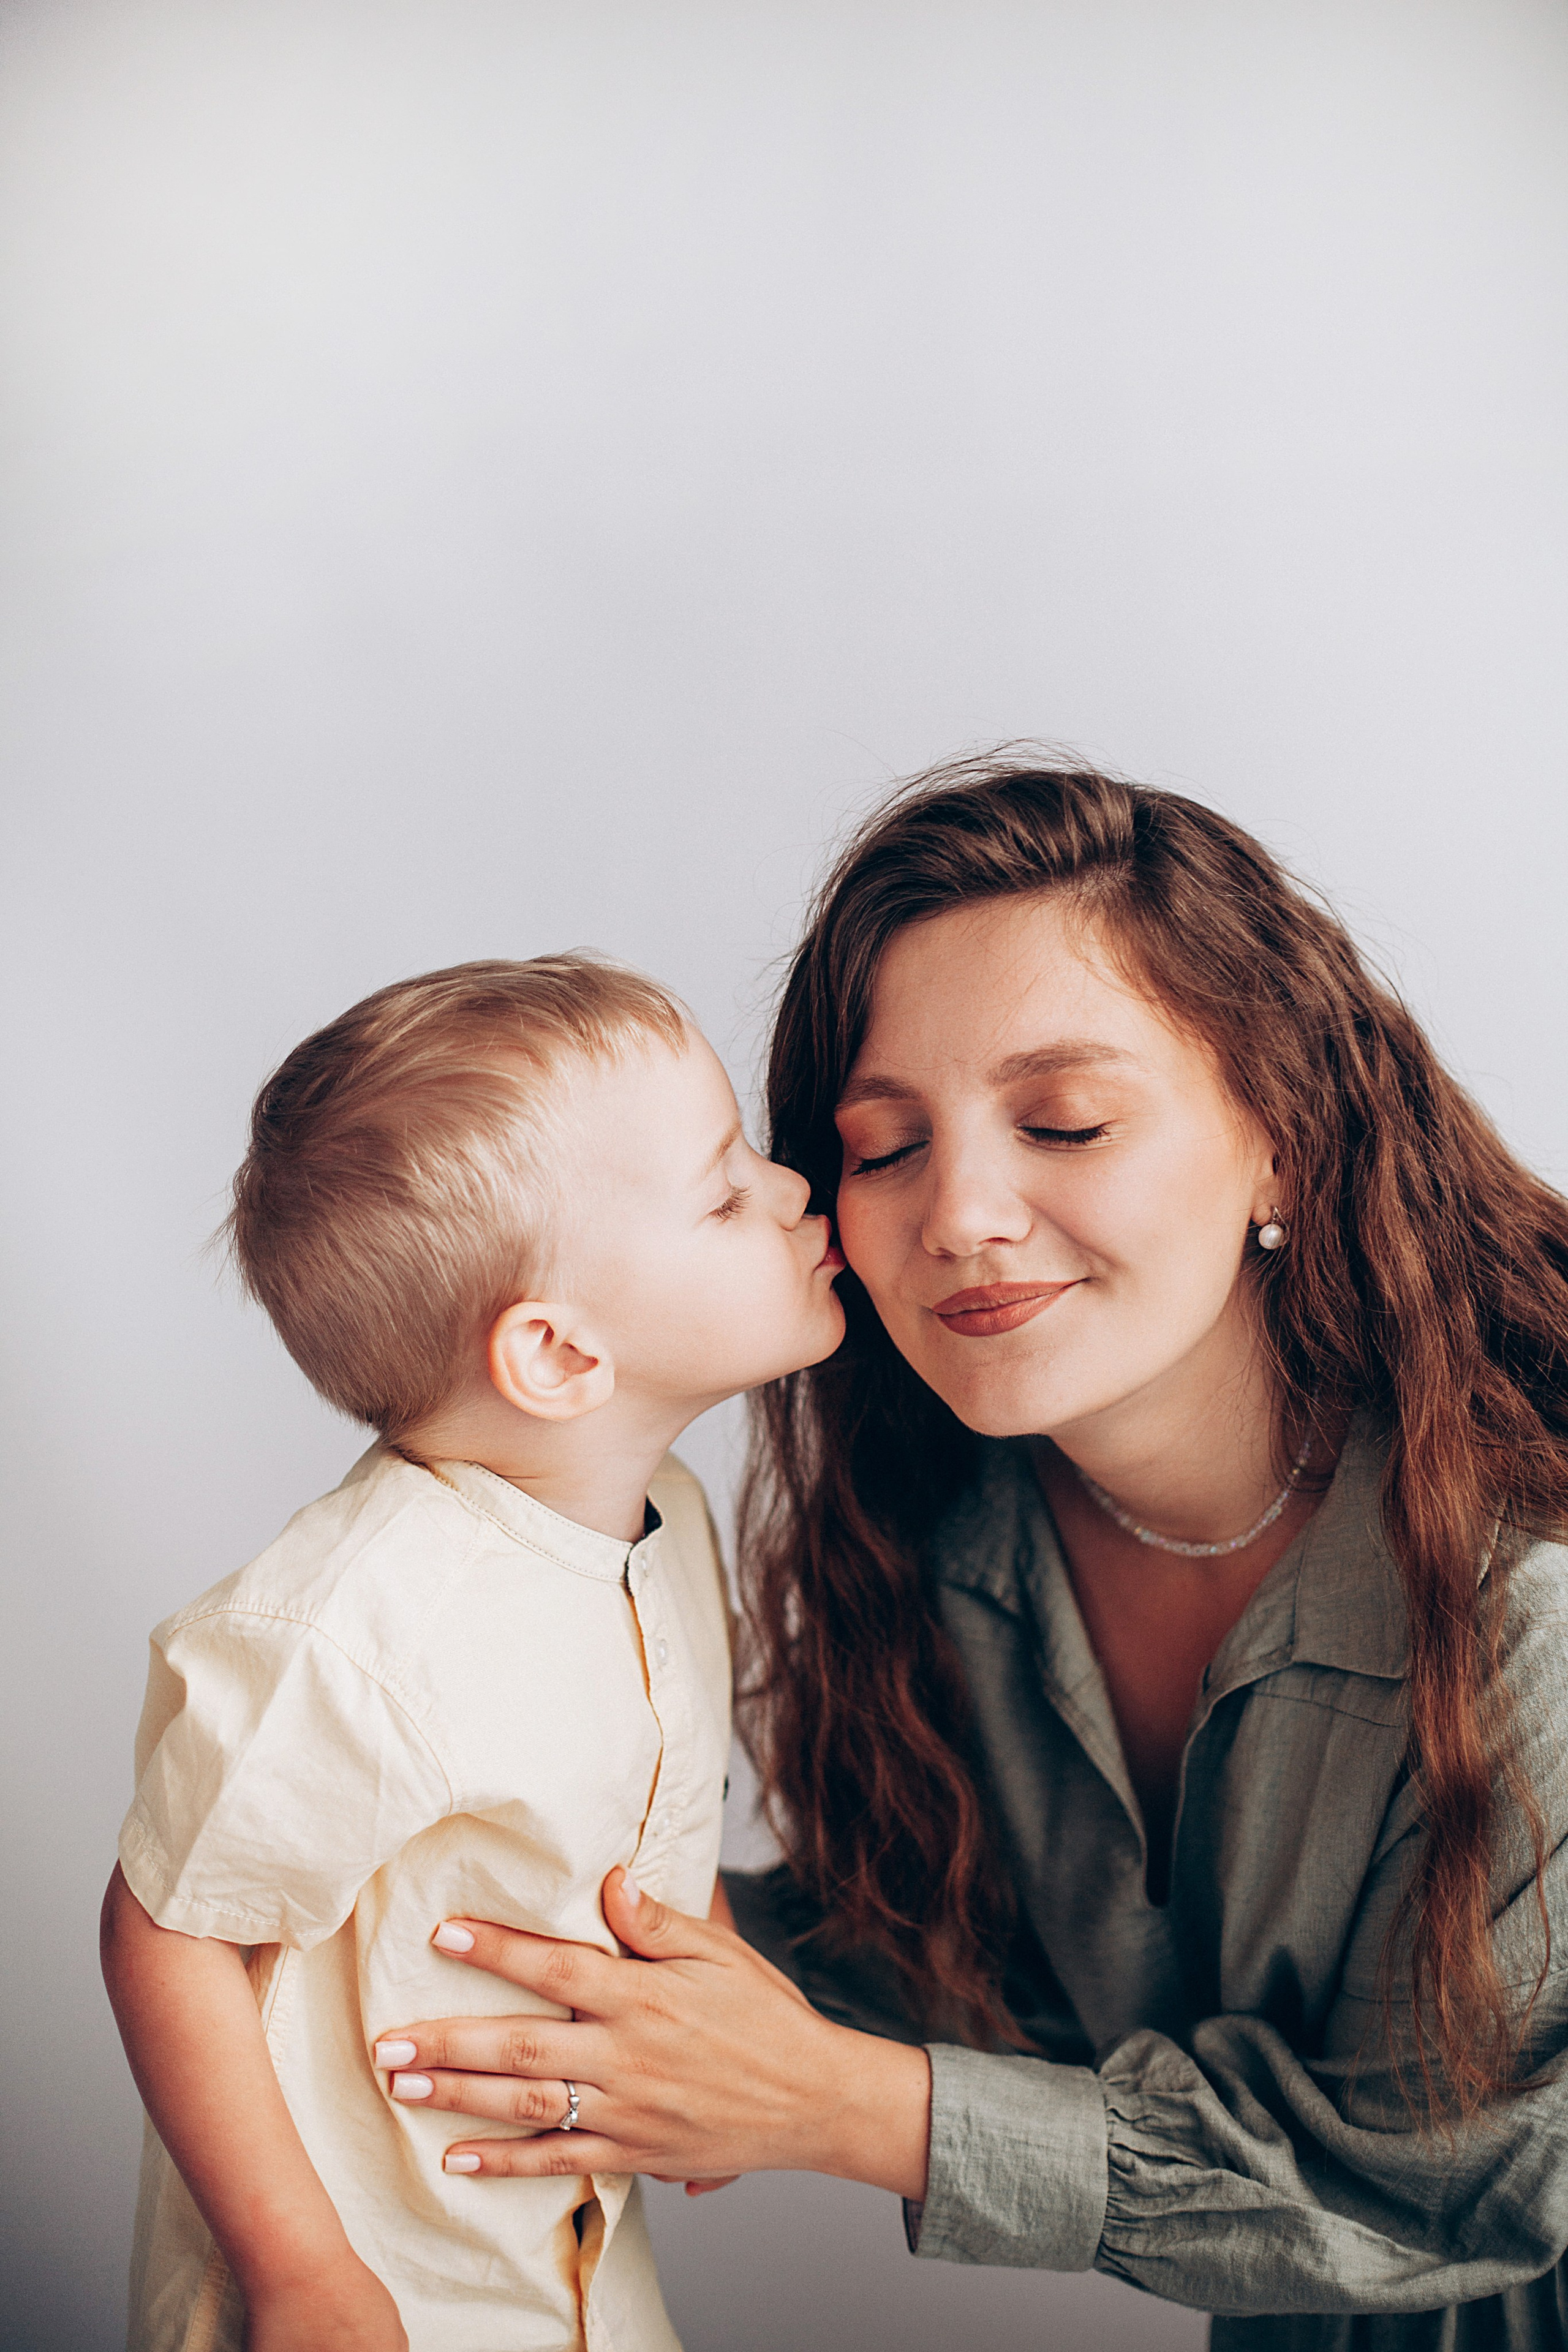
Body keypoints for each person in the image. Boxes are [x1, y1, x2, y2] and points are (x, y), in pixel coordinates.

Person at [370, 761, 1568, 2350]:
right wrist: (638, 1943)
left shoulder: (1530, 1586)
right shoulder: (958, 1533)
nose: (964, 1213)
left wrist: (853, 2106)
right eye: (883, 1147)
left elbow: (1453, 2183)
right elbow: (1000, 1974)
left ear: (1282, 1137)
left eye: (1063, 1120)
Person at [98, 954, 847, 2352]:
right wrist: (300, 2271)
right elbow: (167, 1933)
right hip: (373, 2280)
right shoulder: (352, 1632)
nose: (793, 1189)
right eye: (726, 1190)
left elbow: (640, 1811)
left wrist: (715, 1999)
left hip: (559, 2265)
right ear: (559, 1356)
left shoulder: (661, 1520)